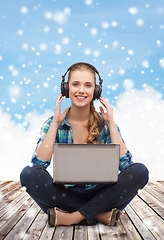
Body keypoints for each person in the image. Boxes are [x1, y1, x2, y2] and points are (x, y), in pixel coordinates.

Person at [20, 62, 149, 227]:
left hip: (102, 193)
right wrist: (55, 124)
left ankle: (72, 217)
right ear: (66, 89)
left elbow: (126, 166)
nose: (81, 90)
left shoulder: (106, 124)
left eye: (88, 85)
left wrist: (111, 123)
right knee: (28, 174)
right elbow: (38, 165)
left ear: (96, 91)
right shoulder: (53, 123)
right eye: (75, 84)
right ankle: (99, 214)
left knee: (140, 171)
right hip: (65, 194)